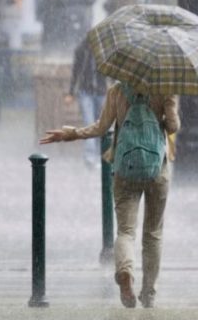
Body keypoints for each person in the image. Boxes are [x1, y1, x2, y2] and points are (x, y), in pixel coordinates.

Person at [40, 83, 179, 309]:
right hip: (157, 170)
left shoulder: (118, 90)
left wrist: (71, 134)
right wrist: (165, 114)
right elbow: (172, 126)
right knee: (153, 233)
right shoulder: (165, 87)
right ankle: (149, 294)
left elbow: (101, 128)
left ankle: (125, 272)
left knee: (125, 231)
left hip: (125, 168)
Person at [65, 38, 108, 168]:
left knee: (101, 124)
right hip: (86, 93)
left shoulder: (105, 50)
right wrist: (71, 92)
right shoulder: (81, 50)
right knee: (89, 123)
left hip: (100, 92)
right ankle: (90, 157)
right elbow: (75, 72)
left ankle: (102, 156)